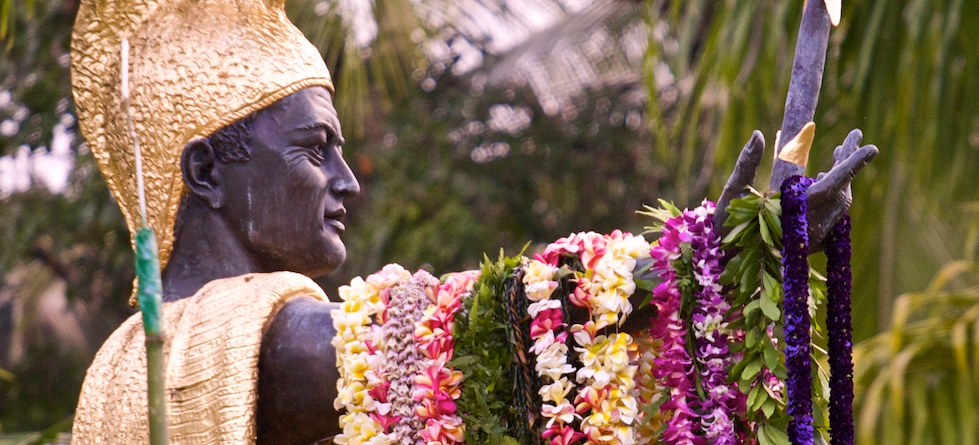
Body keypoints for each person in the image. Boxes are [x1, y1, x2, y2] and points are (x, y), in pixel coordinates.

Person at [69, 0, 877, 443]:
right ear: (206, 172)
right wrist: (711, 251)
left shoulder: (163, 343)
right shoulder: (204, 344)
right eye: (316, 150)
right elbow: (476, 332)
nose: (347, 181)